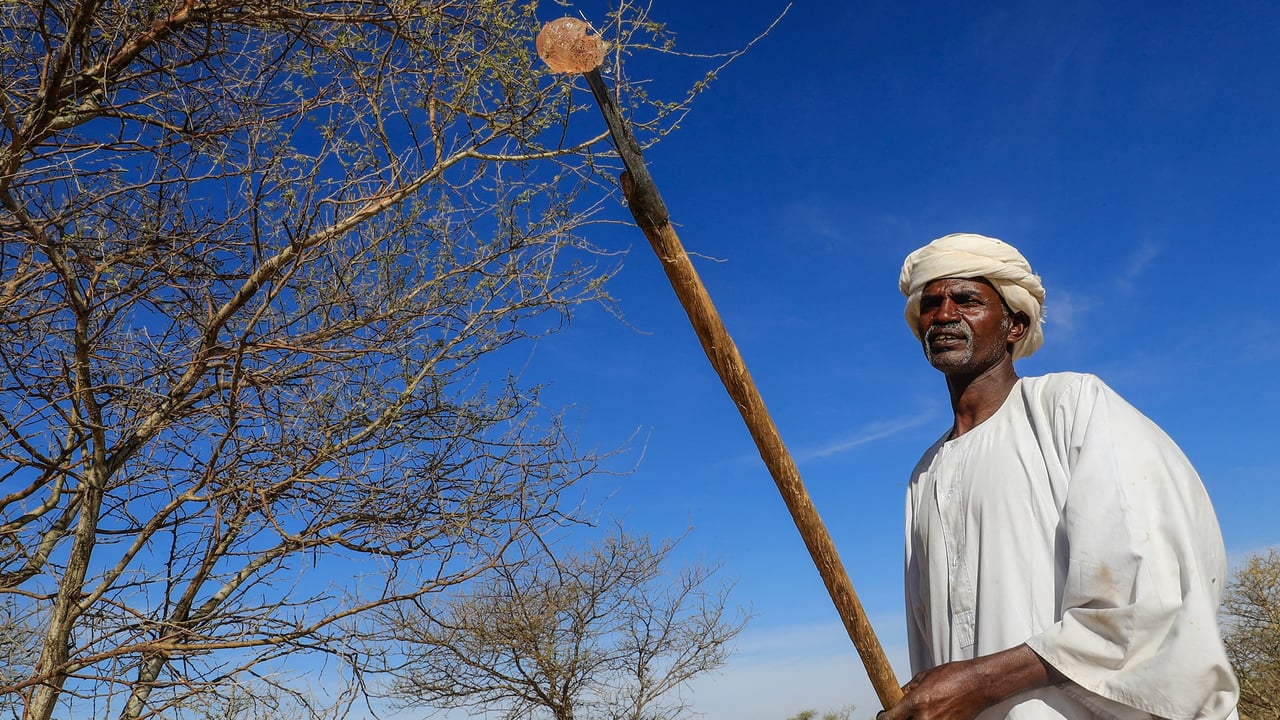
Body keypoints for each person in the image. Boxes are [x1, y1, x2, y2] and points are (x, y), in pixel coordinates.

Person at [881, 233, 1239, 720]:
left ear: (1014, 324)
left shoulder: (1071, 408)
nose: (943, 315)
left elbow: (1145, 599)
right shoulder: (925, 473)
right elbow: (931, 635)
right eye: (931, 302)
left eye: (967, 300)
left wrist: (982, 682)